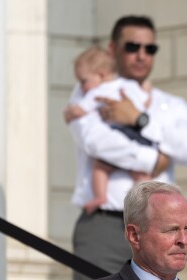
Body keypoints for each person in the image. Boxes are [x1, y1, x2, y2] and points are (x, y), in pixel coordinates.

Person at [62, 15, 187, 280]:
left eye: (149, 47)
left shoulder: (170, 105)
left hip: (158, 229)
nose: (142, 55)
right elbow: (95, 140)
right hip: (106, 223)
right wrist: (154, 156)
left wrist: (139, 121)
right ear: (112, 49)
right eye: (132, 46)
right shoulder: (91, 89)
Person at [65, 46, 154, 214]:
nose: (82, 87)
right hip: (135, 135)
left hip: (121, 133)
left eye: (84, 81)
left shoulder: (96, 92)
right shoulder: (128, 86)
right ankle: (142, 205)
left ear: (101, 75)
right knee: (141, 175)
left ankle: (101, 196)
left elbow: (81, 110)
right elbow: (145, 104)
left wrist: (70, 113)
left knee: (99, 168)